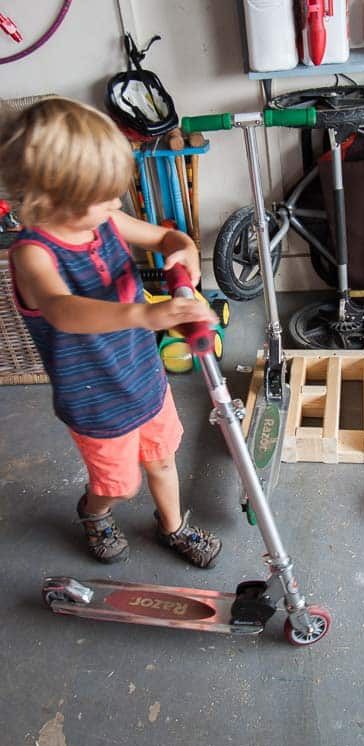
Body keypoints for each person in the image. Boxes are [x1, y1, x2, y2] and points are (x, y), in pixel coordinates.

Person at [0, 96, 222, 568]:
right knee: (118, 484)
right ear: (50, 199)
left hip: (143, 374)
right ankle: (93, 512)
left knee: (163, 459)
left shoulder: (107, 222)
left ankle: (173, 527)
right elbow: (62, 310)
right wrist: (145, 315)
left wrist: (184, 251)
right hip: (94, 395)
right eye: (104, 197)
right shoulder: (33, 255)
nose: (115, 204)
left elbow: (165, 238)